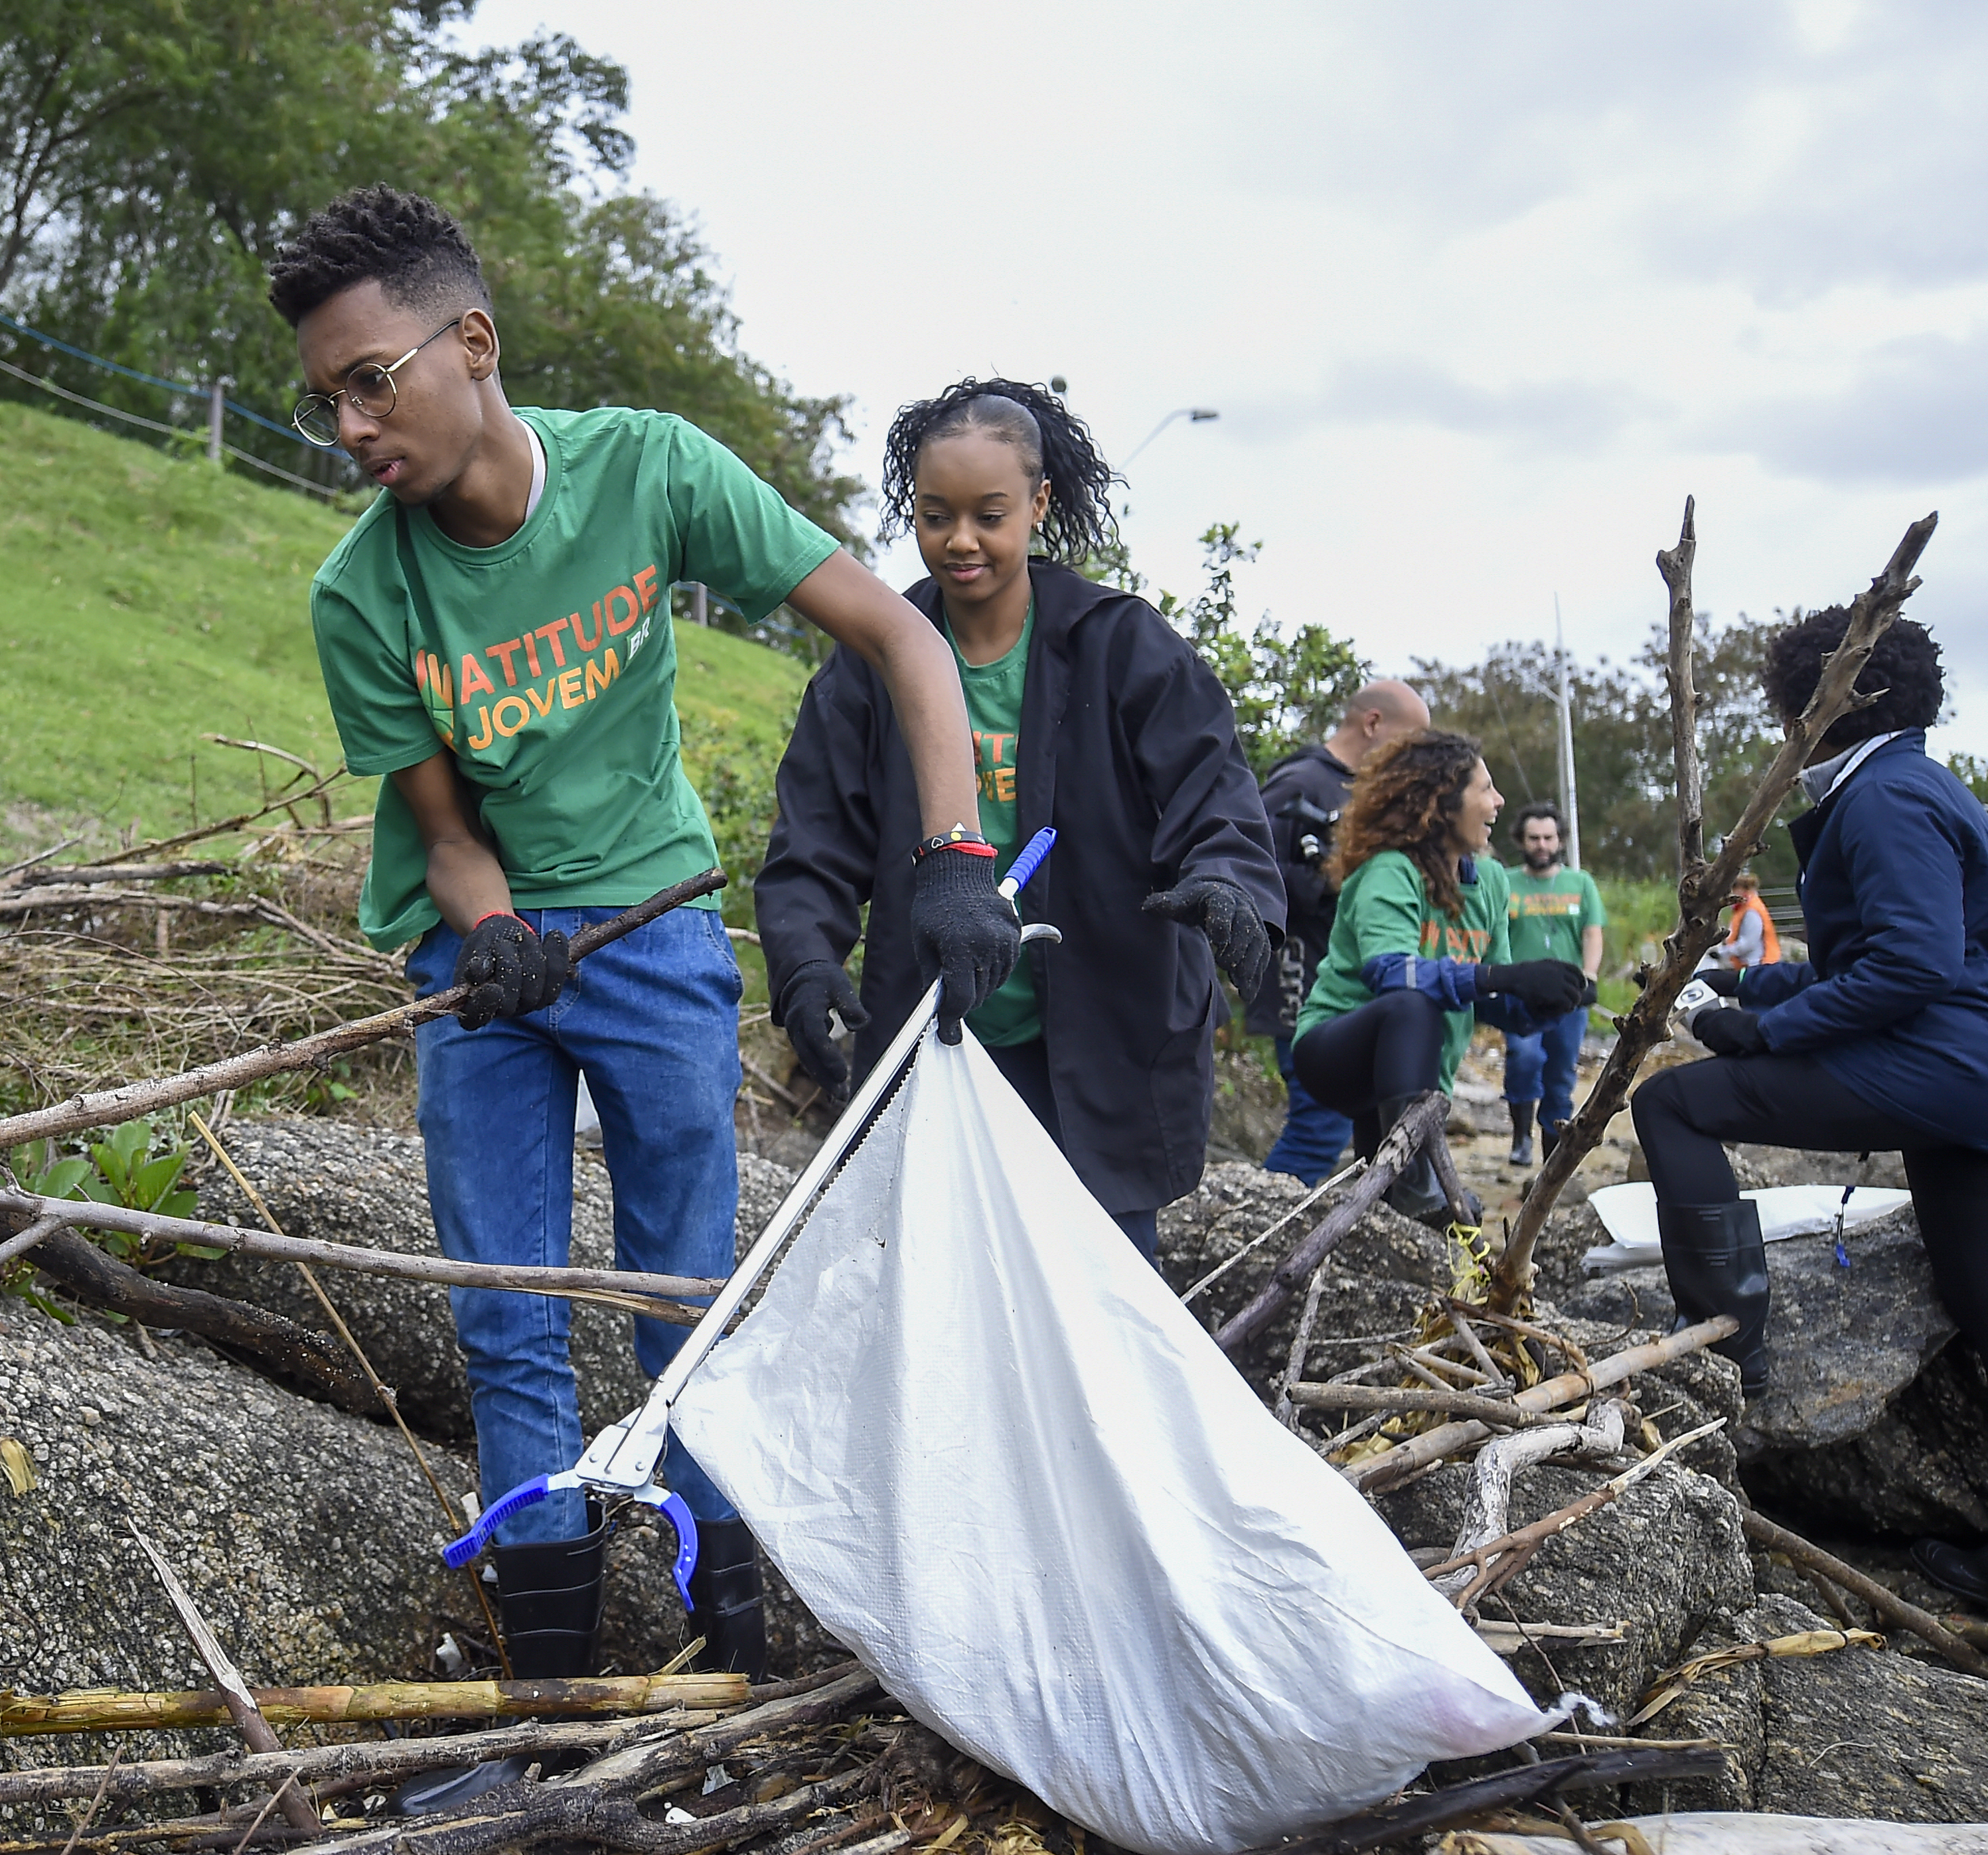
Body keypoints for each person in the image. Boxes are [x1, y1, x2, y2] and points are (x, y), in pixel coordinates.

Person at [270, 186, 1021, 1683]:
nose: (352, 426)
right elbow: (445, 829)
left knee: (690, 1310)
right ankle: (551, 1691)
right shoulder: (362, 589)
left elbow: (901, 635)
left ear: (471, 341)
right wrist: (491, 935)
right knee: (512, 1318)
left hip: (655, 935)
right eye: (323, 401)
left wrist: (955, 861)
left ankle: (719, 1656)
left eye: (372, 380)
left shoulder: (646, 469)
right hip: (478, 969)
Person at [1634, 610, 1988, 1642]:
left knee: (1672, 1102)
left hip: (1955, 1059)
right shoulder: (1915, 783)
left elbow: (1915, 966)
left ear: (1823, 699)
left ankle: (1729, 1352)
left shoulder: (1880, 796)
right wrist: (1747, 979)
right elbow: (1880, 955)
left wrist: (1757, 1030)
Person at [758, 378, 1284, 1260]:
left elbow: (1213, 789)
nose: (960, 541)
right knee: (935, 1285)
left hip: (1100, 1034)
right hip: (938, 1035)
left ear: (1039, 505)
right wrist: (807, 961)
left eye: (989, 515)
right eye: (936, 516)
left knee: (1103, 1292)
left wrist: (1228, 883)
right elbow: (814, 834)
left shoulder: (1122, 646)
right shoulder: (869, 664)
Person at [1286, 731, 1590, 1221]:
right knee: (1412, 1001)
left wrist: (1542, 999)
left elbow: (1492, 999)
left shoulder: (1489, 880)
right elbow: (1392, 973)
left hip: (1410, 1084)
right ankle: (1414, 1180)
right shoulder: (1389, 871)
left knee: (1391, 1218)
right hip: (1334, 1052)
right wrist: (1500, 976)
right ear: (1441, 802)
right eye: (1486, 788)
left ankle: (1404, 1193)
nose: (1499, 801)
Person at [1243, 681, 1431, 1183]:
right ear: (1373, 723)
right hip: (1297, 973)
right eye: (1410, 739)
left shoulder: (1369, 790)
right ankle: (1256, 1235)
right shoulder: (1298, 783)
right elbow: (1245, 871)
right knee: (1320, 1123)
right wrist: (1325, 878)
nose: (1415, 756)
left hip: (1352, 978)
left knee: (1368, 1118)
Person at [1500, 802, 1605, 1167]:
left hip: (1568, 999)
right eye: (1534, 838)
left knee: (1560, 1075)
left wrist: (1589, 977)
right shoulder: (1505, 883)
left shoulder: (1581, 883)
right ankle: (1520, 1137)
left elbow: (1592, 934)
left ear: (1559, 840)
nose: (1541, 845)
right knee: (1524, 1059)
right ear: (1521, 841)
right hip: (1519, 996)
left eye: (1548, 838)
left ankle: (1554, 1157)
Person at [1721, 870, 1781, 969]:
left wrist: (1723, 952)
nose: (1731, 893)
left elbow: (1748, 943)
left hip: (1757, 965)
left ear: (1742, 889)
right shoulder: (1744, 908)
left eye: (1734, 889)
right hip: (1751, 965)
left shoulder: (1752, 911)